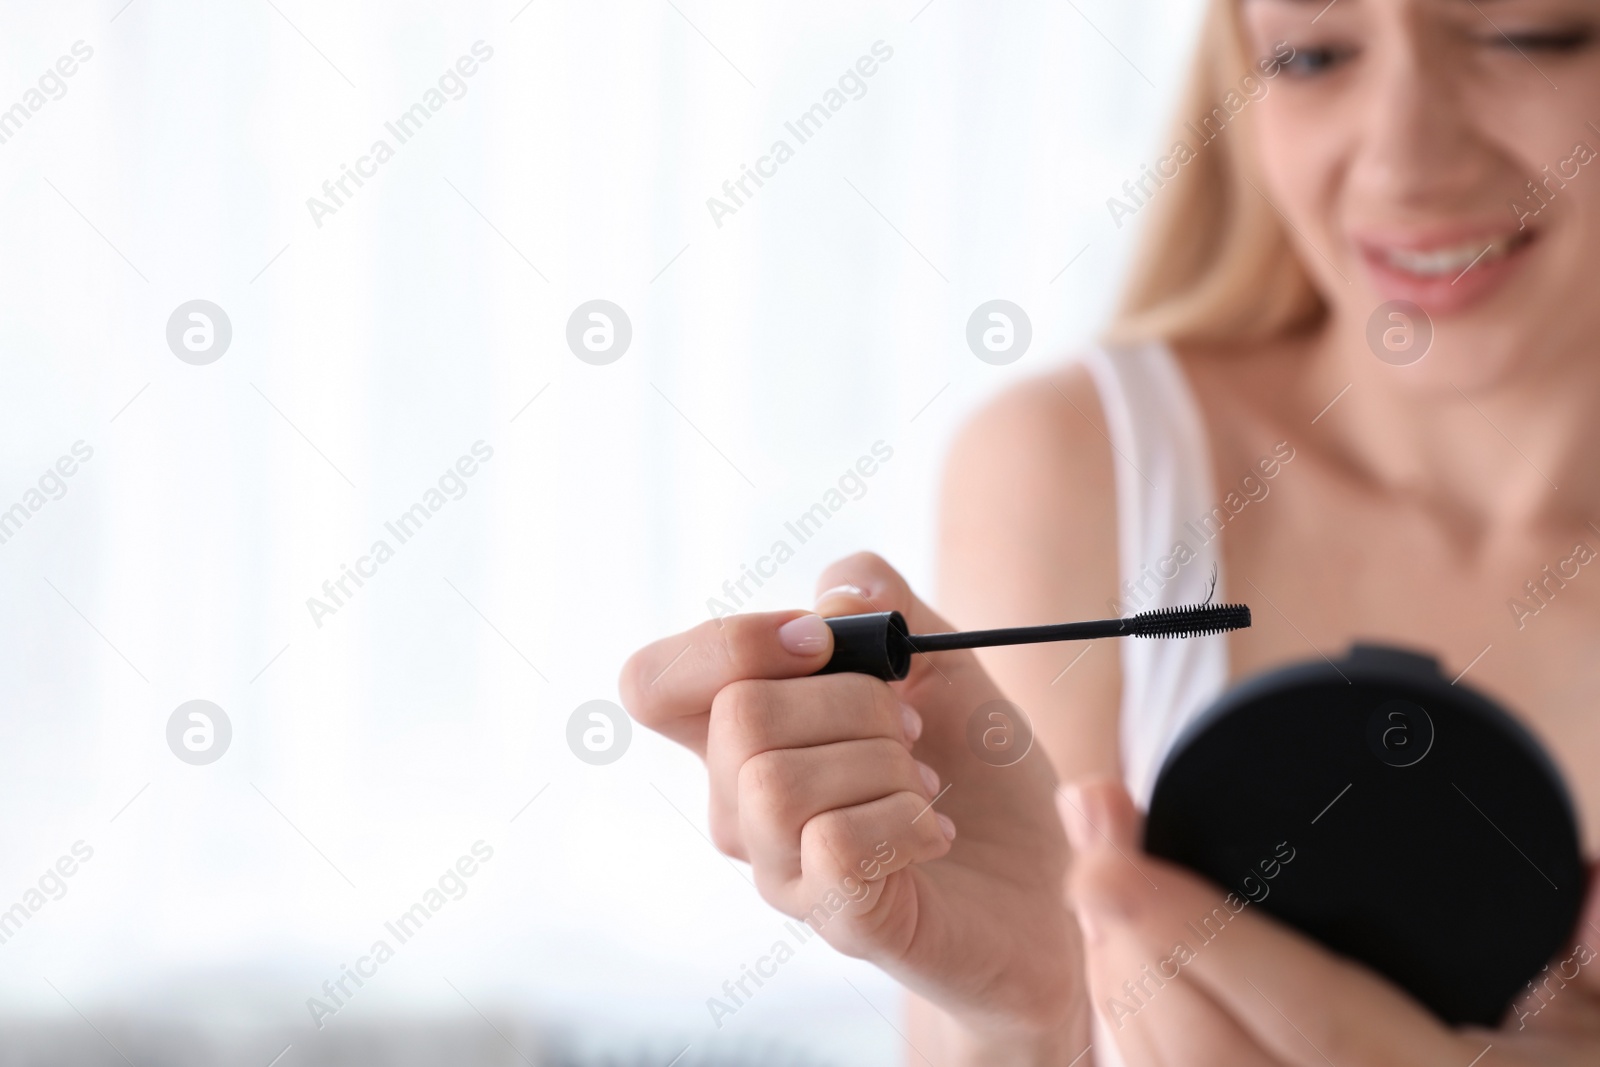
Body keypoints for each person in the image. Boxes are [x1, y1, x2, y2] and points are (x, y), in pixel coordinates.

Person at [621, 0, 1600, 1061]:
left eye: (1527, 32)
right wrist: (1022, 1012)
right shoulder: (1088, 464)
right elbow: (1020, 1018)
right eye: (1310, 54)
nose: (1404, 161)